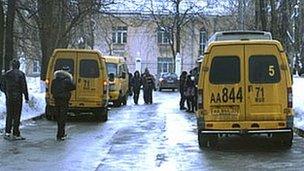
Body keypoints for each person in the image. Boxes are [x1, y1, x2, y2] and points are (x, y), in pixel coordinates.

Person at [0, 59, 29, 140]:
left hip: (9, 97)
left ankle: (7, 132)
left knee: (9, 114)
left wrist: (6, 92)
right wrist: (26, 97)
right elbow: (24, 87)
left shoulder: (6, 74)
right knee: (17, 115)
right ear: (18, 66)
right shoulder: (21, 74)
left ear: (12, 66)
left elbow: (2, 86)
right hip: (18, 98)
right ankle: (16, 133)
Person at [51, 66, 76, 141]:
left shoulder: (55, 80)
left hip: (57, 100)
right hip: (64, 101)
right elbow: (74, 87)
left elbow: (52, 90)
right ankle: (60, 134)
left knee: (58, 117)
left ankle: (60, 133)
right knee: (63, 117)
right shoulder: (67, 80)